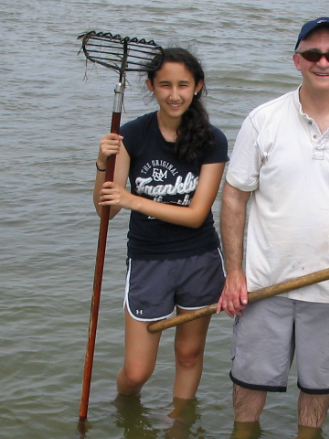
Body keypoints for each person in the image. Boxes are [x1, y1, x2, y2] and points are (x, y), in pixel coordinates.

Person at [217, 17, 329, 439]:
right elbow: (233, 198)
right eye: (312, 53)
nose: (323, 61)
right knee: (249, 389)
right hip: (264, 285)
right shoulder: (263, 121)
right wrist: (235, 274)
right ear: (296, 60)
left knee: (317, 395)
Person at [93, 48, 228, 408]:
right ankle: (125, 408)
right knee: (137, 371)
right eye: (165, 84)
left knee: (188, 354)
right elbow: (106, 212)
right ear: (151, 86)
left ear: (197, 87)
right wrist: (102, 162)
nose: (174, 94)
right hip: (148, 259)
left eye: (183, 85)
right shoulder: (132, 135)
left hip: (199, 258)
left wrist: (133, 200)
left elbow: (197, 215)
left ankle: (178, 426)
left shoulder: (213, 140)